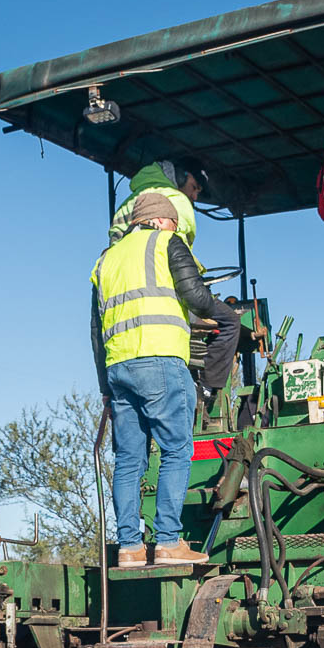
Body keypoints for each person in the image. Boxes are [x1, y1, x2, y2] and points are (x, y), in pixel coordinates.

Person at [91, 190, 219, 568]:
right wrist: (221, 312)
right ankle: (167, 542)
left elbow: (94, 332)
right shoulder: (167, 242)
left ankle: (129, 547)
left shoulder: (106, 260)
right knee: (177, 450)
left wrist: (104, 389)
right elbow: (195, 297)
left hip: (119, 369)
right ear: (162, 221)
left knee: (129, 459)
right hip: (161, 359)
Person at [110, 160, 242, 401]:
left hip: (125, 310)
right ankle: (207, 390)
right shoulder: (177, 201)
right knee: (230, 322)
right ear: (180, 177)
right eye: (194, 186)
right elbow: (179, 255)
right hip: (165, 298)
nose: (194, 195)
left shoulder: (124, 206)